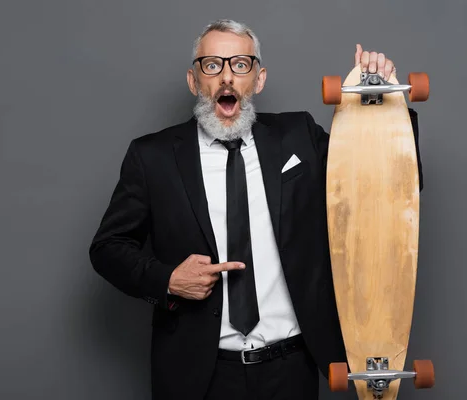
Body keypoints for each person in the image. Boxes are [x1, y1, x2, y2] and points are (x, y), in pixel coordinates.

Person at [89, 19, 423, 400]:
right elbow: (107, 248)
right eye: (212, 65)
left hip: (291, 369)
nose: (227, 77)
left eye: (241, 65)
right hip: (198, 373)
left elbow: (384, 186)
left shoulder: (298, 135)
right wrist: (167, 279)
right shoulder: (153, 156)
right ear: (193, 80)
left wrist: (386, 101)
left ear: (259, 79)